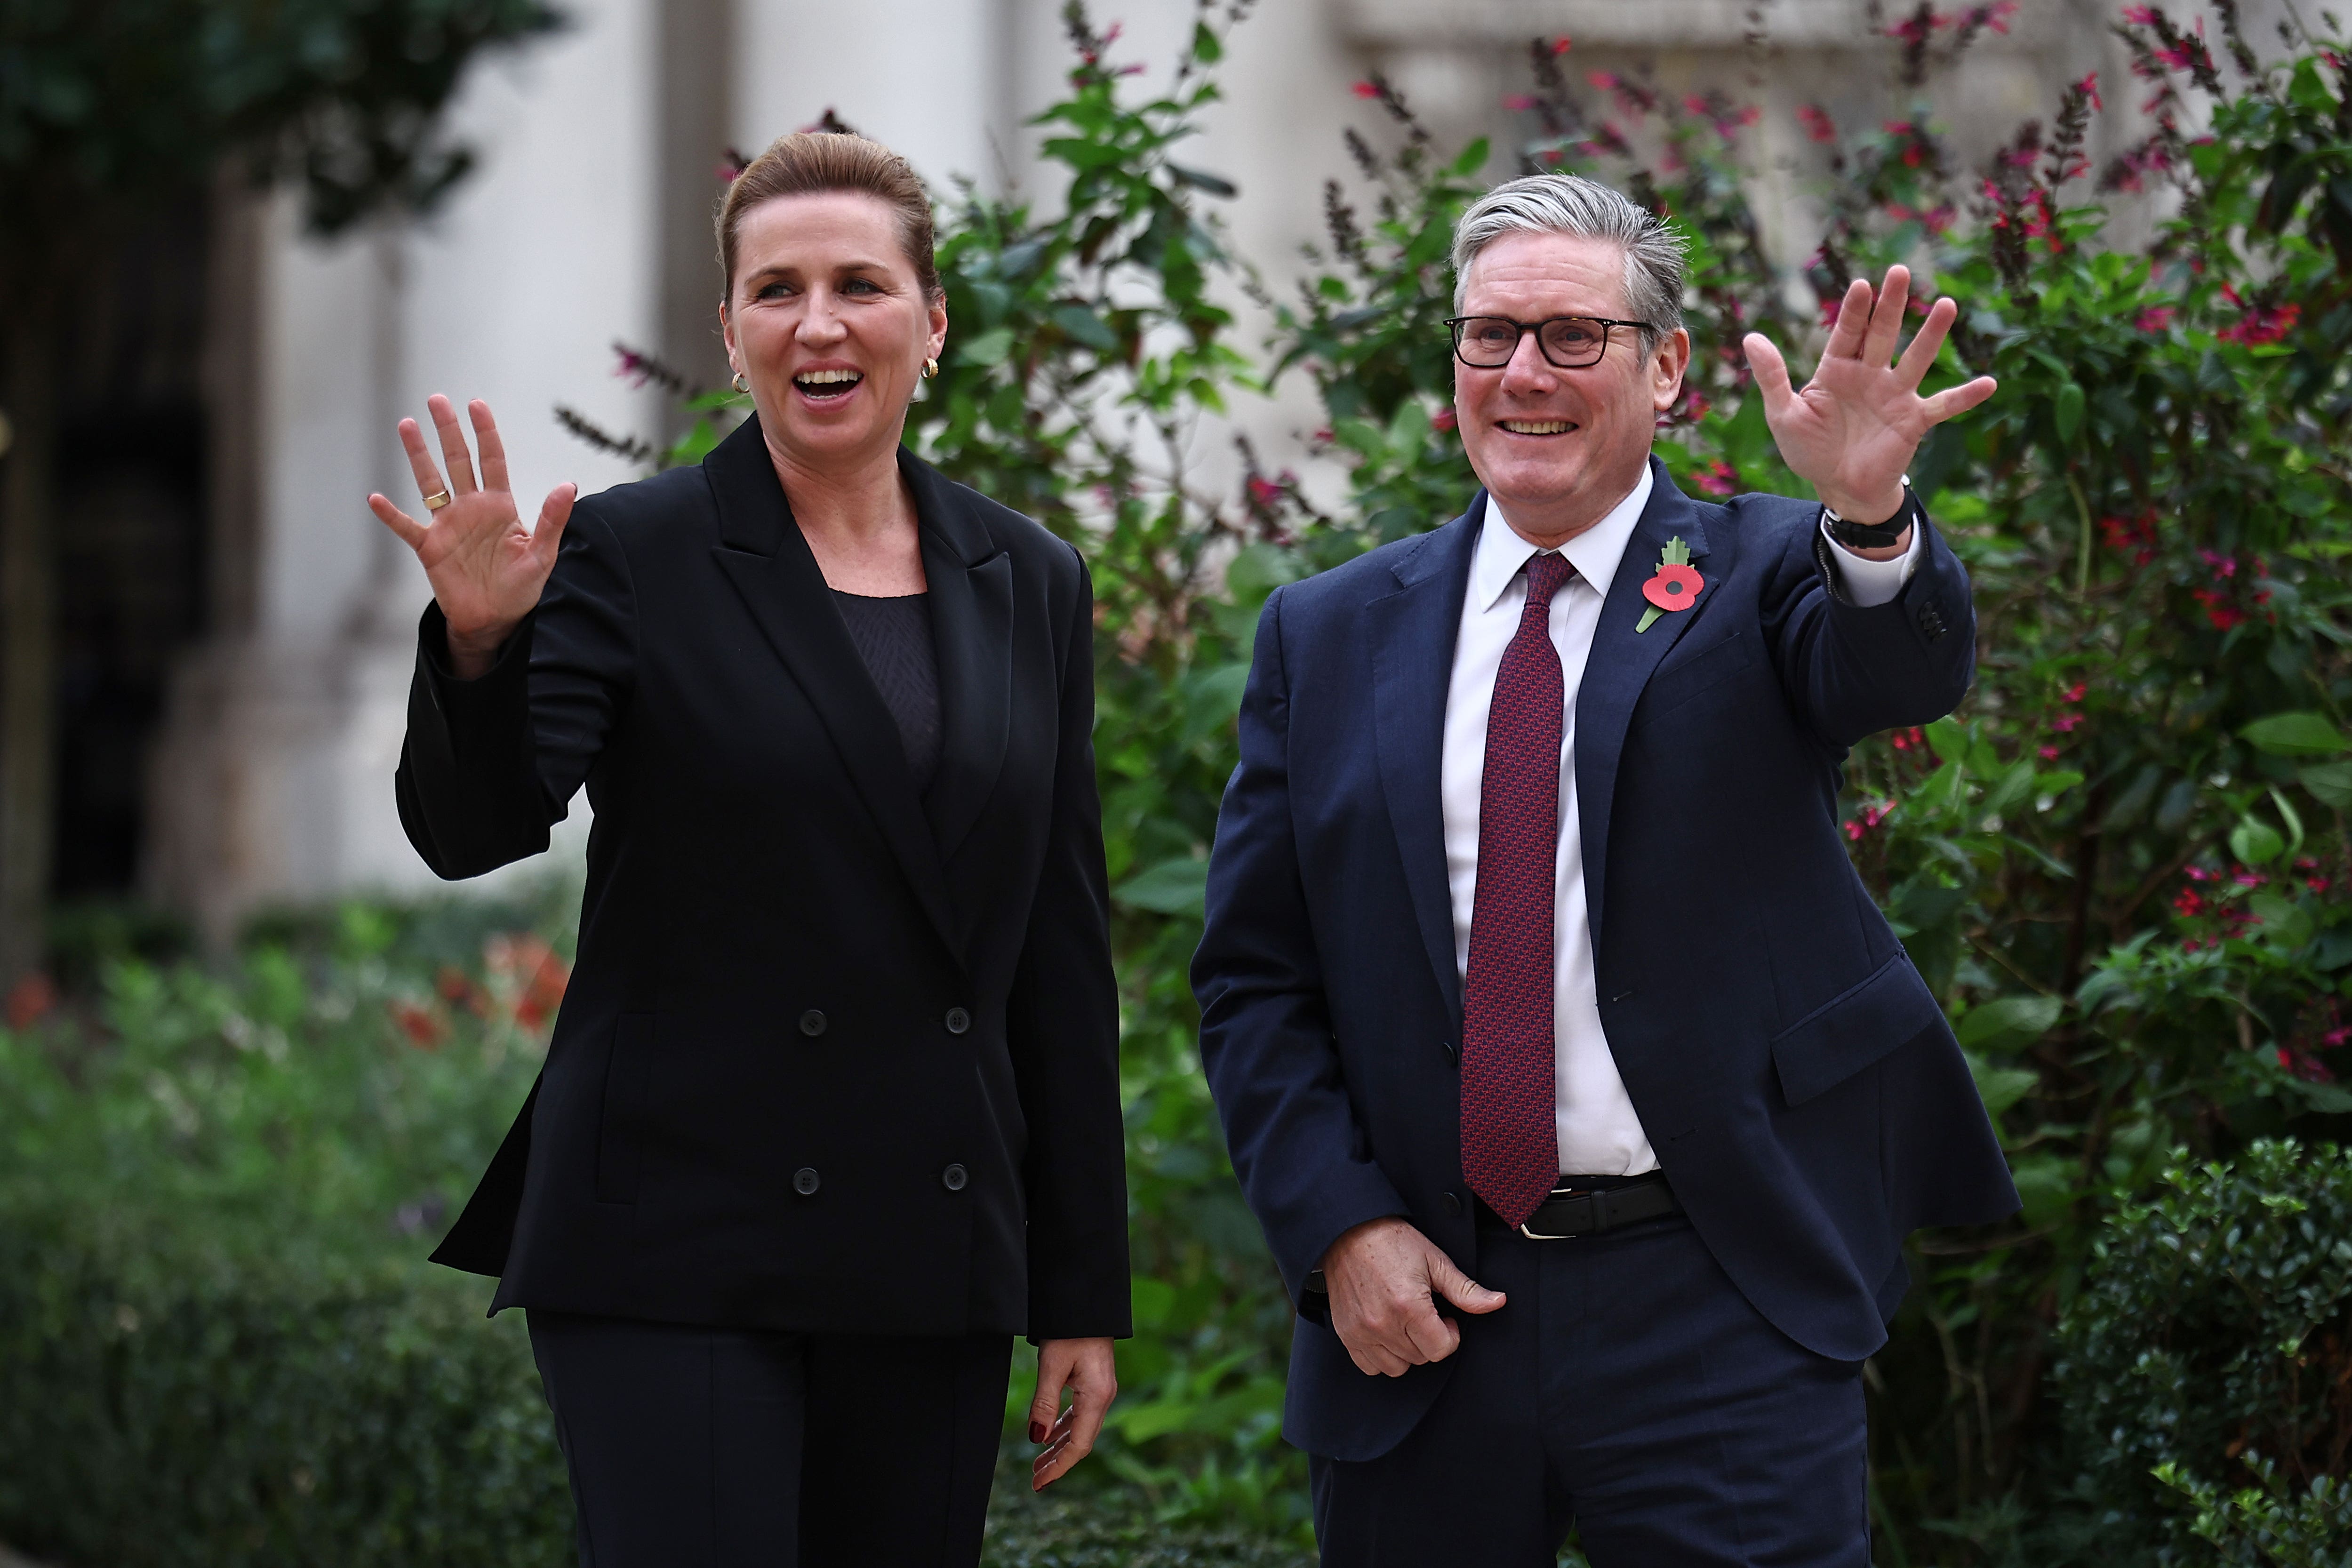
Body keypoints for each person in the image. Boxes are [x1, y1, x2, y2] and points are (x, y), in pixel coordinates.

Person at [1191, 172, 2020, 1566]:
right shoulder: (1327, 634)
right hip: (1426, 1310)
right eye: (1490, 335)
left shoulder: (1765, 570)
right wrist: (1339, 1229)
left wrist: (1871, 515)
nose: (1525, 373)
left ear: (1668, 368)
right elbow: (1254, 979)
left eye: (1575, 335)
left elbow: (1894, 672)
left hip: (1719, 1297)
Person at [368, 130, 1129, 1568]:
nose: (818, 323)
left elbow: (1056, 951)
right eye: (777, 290)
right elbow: (478, 830)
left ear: (932, 322)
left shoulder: (1030, 577)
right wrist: (480, 647)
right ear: (730, 334)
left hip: (929, 1246)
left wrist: (1079, 1286)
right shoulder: (630, 552)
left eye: (860, 285)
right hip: (674, 1235)